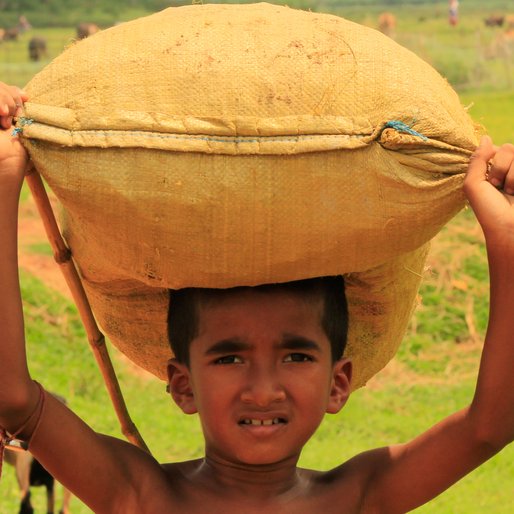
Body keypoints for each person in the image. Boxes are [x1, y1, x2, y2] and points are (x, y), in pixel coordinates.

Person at [0, 80, 513, 513]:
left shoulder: (359, 496)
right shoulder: (145, 496)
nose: (263, 388)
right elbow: (13, 398)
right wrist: (4, 178)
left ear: (339, 382)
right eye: (228, 357)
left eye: (296, 355)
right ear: (183, 385)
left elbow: (492, 425)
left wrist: (508, 241)